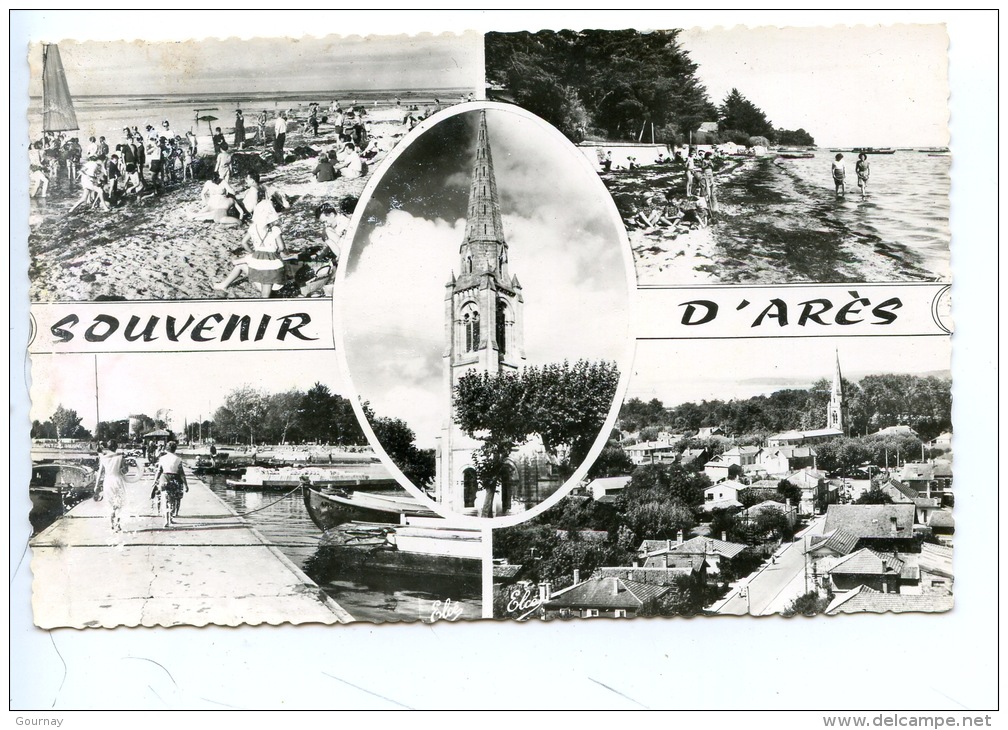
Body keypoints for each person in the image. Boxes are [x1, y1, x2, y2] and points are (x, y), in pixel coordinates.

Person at [214, 193, 287, 296]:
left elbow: (244, 242)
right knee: (270, 272)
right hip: (275, 280)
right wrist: (275, 253)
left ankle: (223, 285)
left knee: (242, 265)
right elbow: (282, 247)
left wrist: (253, 253)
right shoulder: (275, 229)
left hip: (259, 272)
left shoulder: (253, 228)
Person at [94, 440, 128, 532]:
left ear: (107, 447)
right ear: (116, 447)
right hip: (118, 480)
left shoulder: (104, 458)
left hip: (108, 481)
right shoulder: (120, 457)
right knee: (119, 503)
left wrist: (96, 486)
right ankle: (118, 525)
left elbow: (100, 473)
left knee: (110, 504)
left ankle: (112, 524)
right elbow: (125, 471)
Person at [152, 441, 188, 528]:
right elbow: (182, 473)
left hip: (164, 479)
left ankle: (166, 520)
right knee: (174, 500)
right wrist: (186, 484)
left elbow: (159, 471)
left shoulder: (162, 458)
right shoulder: (178, 459)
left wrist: (154, 481)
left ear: (167, 448)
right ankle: (170, 518)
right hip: (175, 479)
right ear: (175, 449)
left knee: (165, 499)